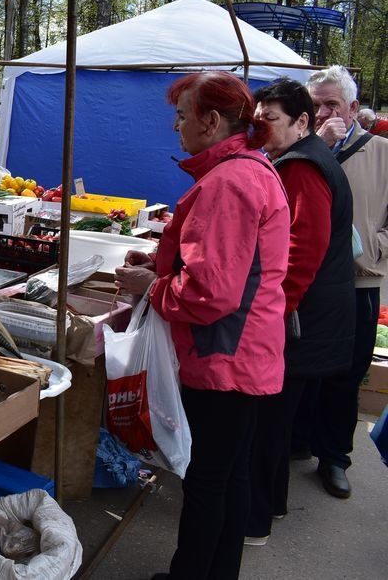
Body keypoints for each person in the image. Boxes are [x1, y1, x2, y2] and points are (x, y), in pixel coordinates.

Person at [114, 71, 289, 580]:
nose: (175, 127)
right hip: (244, 353)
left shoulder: (230, 181)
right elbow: (226, 266)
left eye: (182, 115)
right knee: (228, 477)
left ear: (211, 121)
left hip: (223, 358)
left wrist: (149, 287)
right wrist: (159, 266)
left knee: (209, 482)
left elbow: (210, 293)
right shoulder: (249, 169)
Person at [245, 78, 354, 546]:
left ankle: (256, 519)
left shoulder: (303, 167)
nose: (261, 129)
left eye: (269, 120)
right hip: (313, 317)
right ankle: (274, 506)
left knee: (268, 420)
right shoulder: (301, 158)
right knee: (278, 419)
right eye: (257, 120)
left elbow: (302, 249)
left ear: (302, 121)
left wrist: (273, 312)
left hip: (302, 321)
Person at [295, 65, 388, 498]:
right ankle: (296, 441)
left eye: (331, 104)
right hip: (307, 282)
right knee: (299, 367)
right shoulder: (299, 151)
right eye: (314, 105)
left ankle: (334, 457)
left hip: (358, 283)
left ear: (352, 108)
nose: (321, 113)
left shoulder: (382, 152)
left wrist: (373, 249)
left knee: (346, 372)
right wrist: (323, 147)